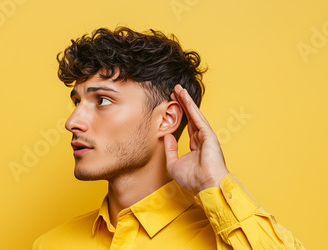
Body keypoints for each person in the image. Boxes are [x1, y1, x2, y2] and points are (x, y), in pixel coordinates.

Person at [33, 26, 305, 249]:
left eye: (102, 100)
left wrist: (216, 182)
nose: (72, 122)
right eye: (76, 103)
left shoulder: (222, 242)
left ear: (167, 119)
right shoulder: (50, 245)